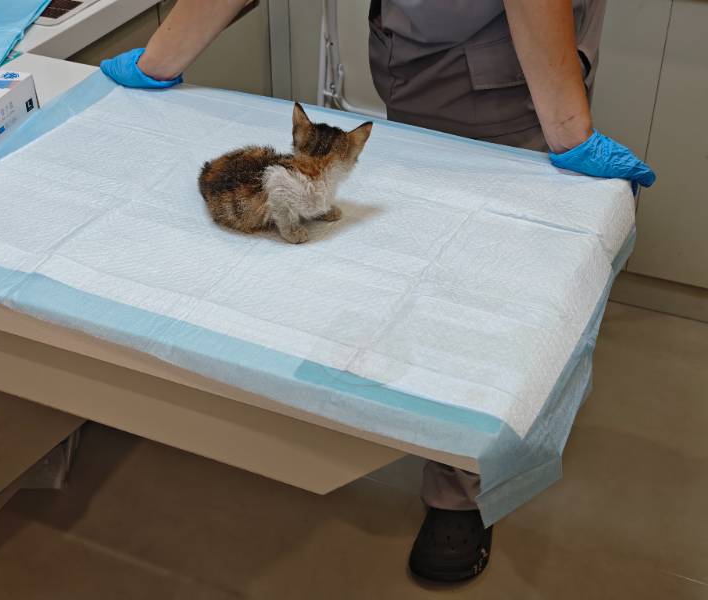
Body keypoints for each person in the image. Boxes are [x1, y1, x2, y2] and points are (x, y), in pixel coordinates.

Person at [99, 0, 655, 584]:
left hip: (503, 68)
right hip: (431, 57)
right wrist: (158, 63)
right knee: (426, 251)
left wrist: (569, 133)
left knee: (474, 283)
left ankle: (458, 492)